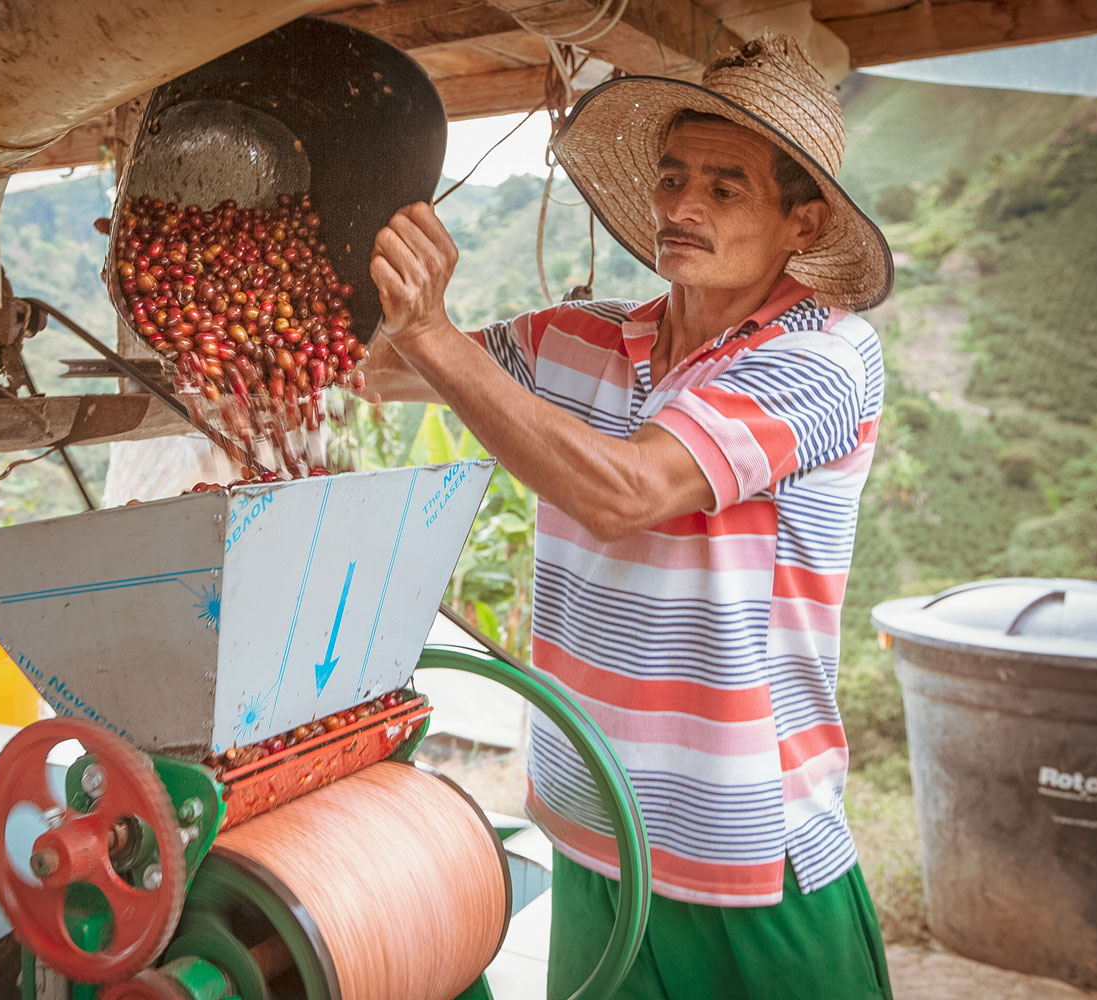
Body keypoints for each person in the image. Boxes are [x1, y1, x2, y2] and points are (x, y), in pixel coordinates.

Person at [364, 33, 895, 1000]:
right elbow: (386, 366)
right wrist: (348, 272)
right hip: (594, 809)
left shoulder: (823, 355)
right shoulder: (582, 340)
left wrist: (437, 334)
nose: (682, 207)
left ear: (803, 221)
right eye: (672, 177)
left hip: (743, 841)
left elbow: (626, 493)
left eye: (725, 188)